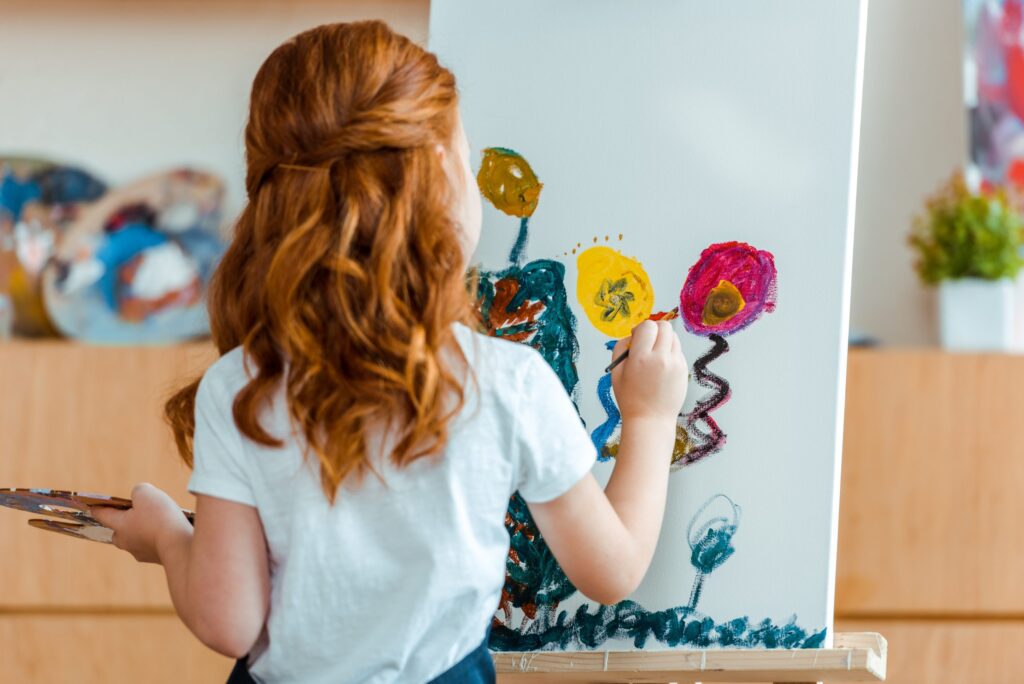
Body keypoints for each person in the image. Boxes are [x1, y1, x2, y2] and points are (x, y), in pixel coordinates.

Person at [91, 20, 688, 684]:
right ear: (439, 177)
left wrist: (169, 538)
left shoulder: (239, 386)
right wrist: (652, 418)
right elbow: (612, 569)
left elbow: (233, 623)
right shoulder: (507, 381)